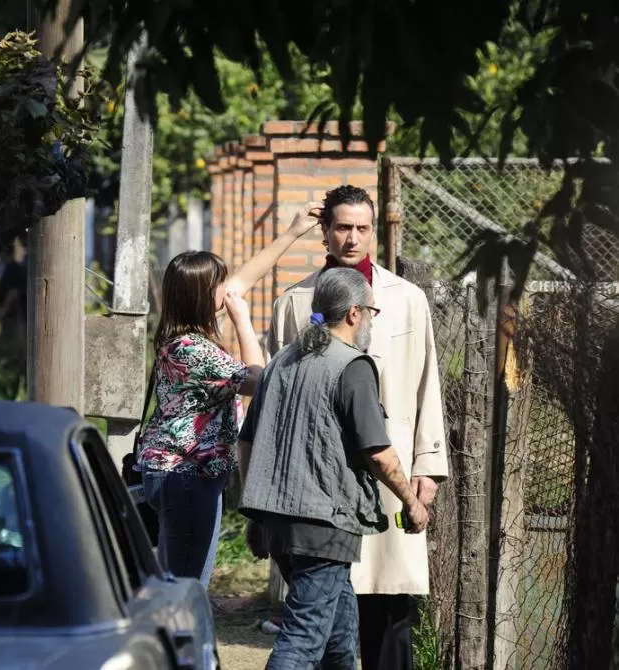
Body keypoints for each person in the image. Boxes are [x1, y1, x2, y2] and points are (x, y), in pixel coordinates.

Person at [264, 185, 448, 669]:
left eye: (363, 228)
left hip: (391, 467)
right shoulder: (295, 304)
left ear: (374, 233)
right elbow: (274, 400)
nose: (352, 238)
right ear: (325, 231)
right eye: (342, 227)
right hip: (316, 482)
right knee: (323, 619)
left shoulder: (406, 299)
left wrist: (427, 465)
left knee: (389, 606)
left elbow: (429, 383)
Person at [237, 267, 430, 670]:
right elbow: (378, 453)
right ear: (355, 313)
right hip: (323, 526)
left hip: (280, 522)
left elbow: (247, 439)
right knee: (303, 640)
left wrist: (254, 515)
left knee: (339, 640)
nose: (373, 321)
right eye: (372, 312)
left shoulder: (283, 360)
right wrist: (411, 502)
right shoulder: (353, 366)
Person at [136, 201, 322, 589]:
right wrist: (242, 320)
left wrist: (292, 232)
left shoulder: (182, 335)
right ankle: (186, 648)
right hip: (187, 477)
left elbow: (242, 282)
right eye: (220, 285)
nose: (230, 290)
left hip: (180, 474)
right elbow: (258, 379)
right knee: (187, 588)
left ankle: (184, 645)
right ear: (203, 296)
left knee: (182, 579)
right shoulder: (194, 350)